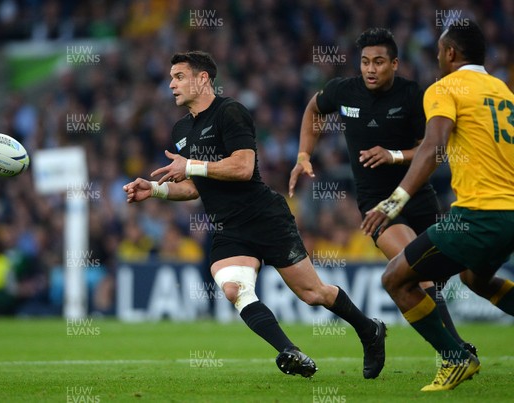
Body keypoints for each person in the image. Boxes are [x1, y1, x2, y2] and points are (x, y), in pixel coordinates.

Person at [123, 51, 386, 379]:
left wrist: (189, 165)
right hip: (228, 227)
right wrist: (156, 190)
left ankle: (369, 330)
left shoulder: (230, 112)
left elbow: (243, 168)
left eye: (179, 77)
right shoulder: (181, 130)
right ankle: (290, 351)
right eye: (171, 78)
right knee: (235, 289)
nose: (171, 84)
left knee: (312, 293)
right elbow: (196, 187)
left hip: (264, 217)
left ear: (203, 79)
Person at [289, 27, 473, 354]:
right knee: (414, 270)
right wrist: (304, 154)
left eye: (378, 62)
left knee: (463, 274)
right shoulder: (343, 92)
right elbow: (313, 110)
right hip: (377, 205)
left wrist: (393, 155)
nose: (371, 69)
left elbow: (433, 150)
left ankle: (451, 349)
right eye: (365, 62)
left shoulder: (414, 96)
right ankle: (456, 350)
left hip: (418, 196)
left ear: (395, 64)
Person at [361, 20, 514, 391]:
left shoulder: (445, 88)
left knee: (395, 277)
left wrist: (394, 202)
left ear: (450, 54)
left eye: (438, 54)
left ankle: (457, 357)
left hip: (478, 216)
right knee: (474, 278)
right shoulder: (503, 91)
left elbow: (434, 147)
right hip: (510, 216)